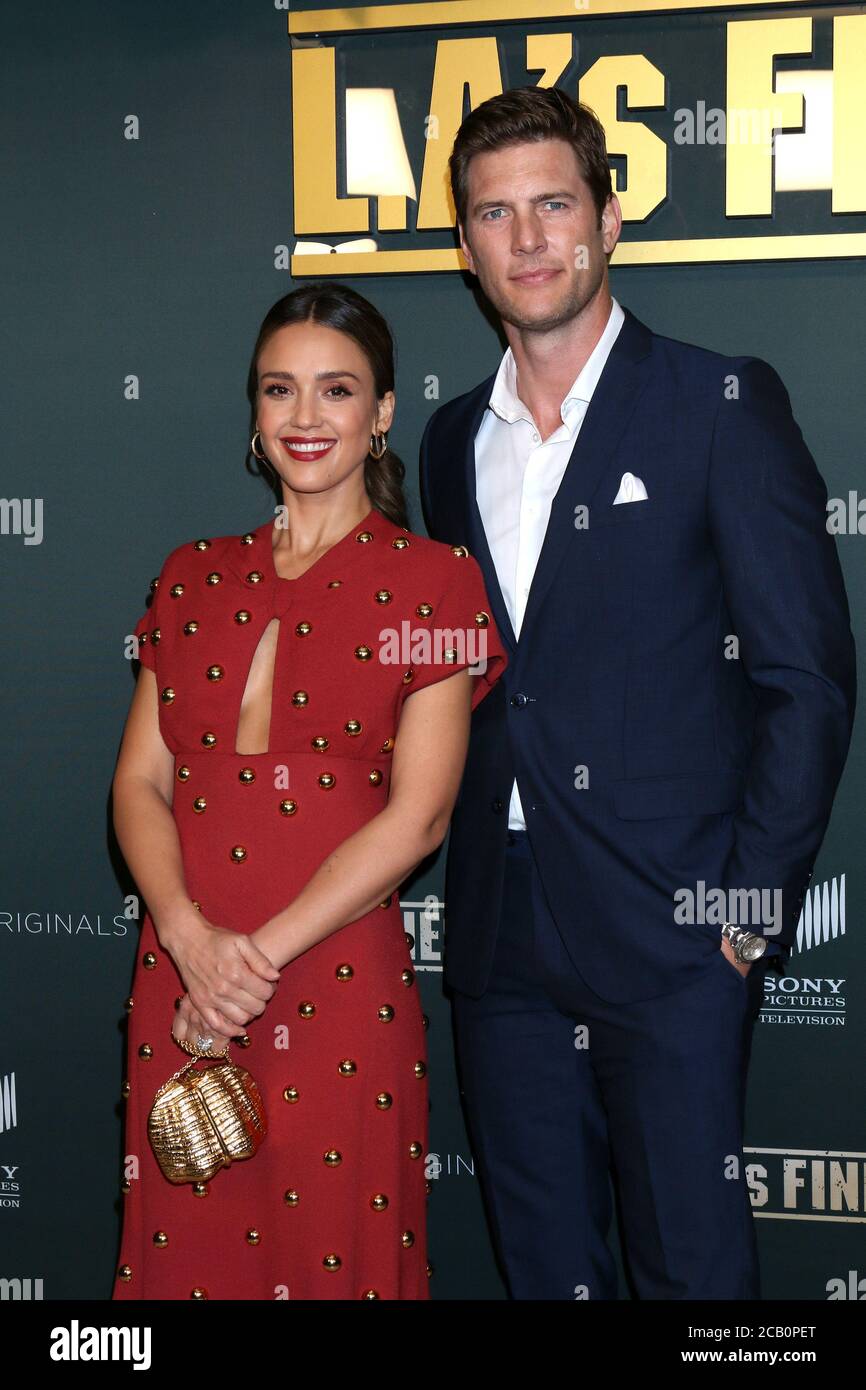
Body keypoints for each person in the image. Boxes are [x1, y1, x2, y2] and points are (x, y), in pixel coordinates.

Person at [419, 85, 856, 1299]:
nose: (526, 240)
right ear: (464, 245)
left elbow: (803, 677)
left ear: (609, 218)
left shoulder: (717, 404)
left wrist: (744, 905)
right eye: (493, 214)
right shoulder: (452, 443)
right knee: (542, 1268)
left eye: (553, 204)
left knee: (695, 1277)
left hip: (674, 933)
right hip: (502, 935)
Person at [111, 282, 507, 1301]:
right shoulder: (189, 576)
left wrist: (252, 961)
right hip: (184, 976)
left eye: (336, 391)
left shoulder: (437, 582)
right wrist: (192, 941)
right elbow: (139, 783)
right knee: (186, 1259)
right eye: (278, 390)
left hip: (331, 980)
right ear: (252, 411)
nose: (303, 417)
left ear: (379, 413)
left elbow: (418, 814)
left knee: (335, 1258)